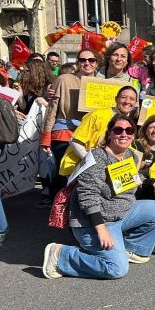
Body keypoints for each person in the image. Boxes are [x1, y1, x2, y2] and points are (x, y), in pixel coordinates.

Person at [42, 114, 155, 279]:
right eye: (118, 130)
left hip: (119, 214)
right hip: (93, 222)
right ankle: (61, 255)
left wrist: (152, 183)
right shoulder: (97, 157)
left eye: (129, 130)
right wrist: (101, 229)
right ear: (109, 133)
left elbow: (132, 176)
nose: (124, 134)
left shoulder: (129, 154)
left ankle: (131, 249)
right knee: (116, 269)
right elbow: (88, 195)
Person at [40, 49, 101, 206]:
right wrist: (46, 136)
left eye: (91, 60)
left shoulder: (102, 84)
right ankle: (59, 209)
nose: (87, 63)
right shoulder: (64, 79)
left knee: (87, 174)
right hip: (65, 132)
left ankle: (81, 208)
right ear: (77, 62)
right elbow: (52, 108)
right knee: (64, 172)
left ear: (96, 63)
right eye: (82, 60)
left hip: (90, 136)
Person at [58, 86, 139, 180]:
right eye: (123, 97)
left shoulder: (129, 123)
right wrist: (93, 162)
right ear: (116, 99)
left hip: (109, 171)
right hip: (79, 168)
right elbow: (74, 142)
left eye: (132, 99)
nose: (127, 101)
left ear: (136, 103)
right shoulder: (97, 115)